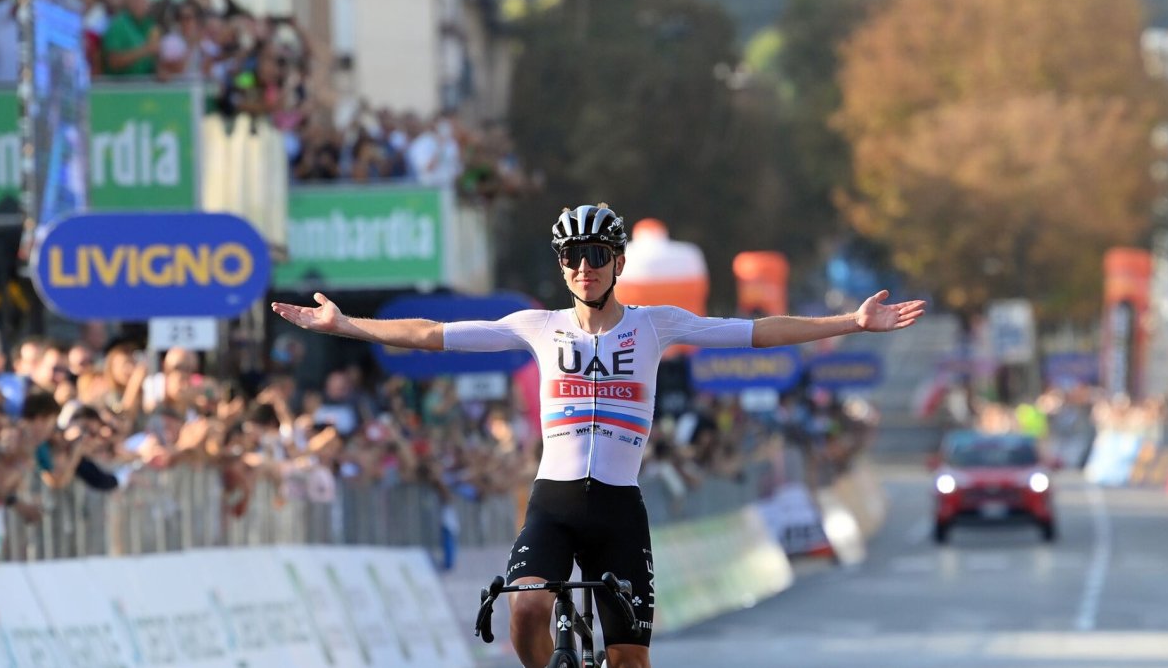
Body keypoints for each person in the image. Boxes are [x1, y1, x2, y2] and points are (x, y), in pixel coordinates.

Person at [272, 203, 926, 668]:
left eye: (594, 255)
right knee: (526, 611)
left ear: (615, 261)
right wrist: (346, 325)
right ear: (561, 267)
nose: (583, 267)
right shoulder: (537, 324)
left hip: (617, 505)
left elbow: (758, 331)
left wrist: (853, 322)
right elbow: (430, 335)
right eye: (570, 257)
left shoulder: (656, 324)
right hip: (552, 502)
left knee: (630, 656)